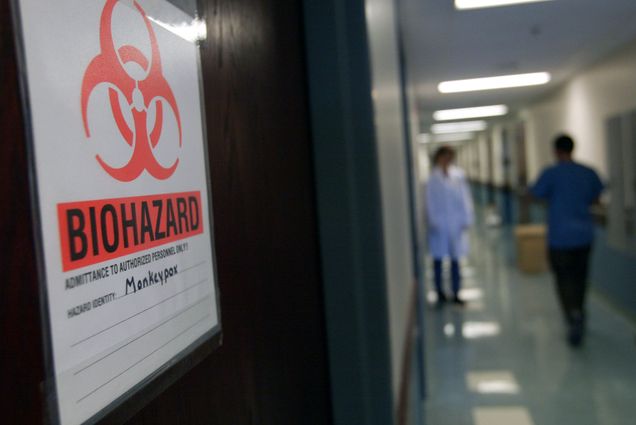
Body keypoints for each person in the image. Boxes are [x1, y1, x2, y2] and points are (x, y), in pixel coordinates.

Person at [530, 134, 604, 347]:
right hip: (584, 235)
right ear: (573, 149)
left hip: (560, 237)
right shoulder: (588, 172)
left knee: (563, 278)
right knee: (581, 277)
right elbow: (597, 197)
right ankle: (579, 311)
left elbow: (537, 194)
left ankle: (571, 316)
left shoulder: (551, 174)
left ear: (555, 151)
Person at [426, 146, 474, 305]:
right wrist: (433, 220)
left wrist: (467, 218)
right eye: (443, 157)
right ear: (438, 158)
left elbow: (465, 198)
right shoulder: (432, 178)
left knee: (456, 260)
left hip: (456, 223)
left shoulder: (458, 175)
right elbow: (429, 201)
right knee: (438, 260)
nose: (446, 160)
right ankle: (439, 292)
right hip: (439, 224)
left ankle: (456, 292)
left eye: (449, 157)